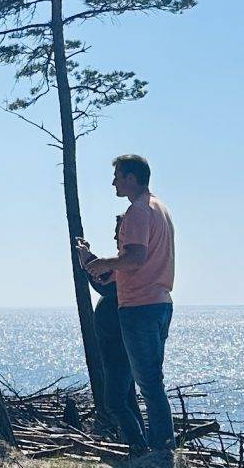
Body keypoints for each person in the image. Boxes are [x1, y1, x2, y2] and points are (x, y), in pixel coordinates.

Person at [75, 153, 176, 448]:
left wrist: (104, 262)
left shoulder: (139, 211)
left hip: (140, 307)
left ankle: (160, 450)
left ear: (131, 178)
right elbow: (126, 270)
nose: (113, 183)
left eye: (117, 176)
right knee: (149, 383)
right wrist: (93, 263)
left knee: (149, 385)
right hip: (157, 302)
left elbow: (135, 259)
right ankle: (154, 448)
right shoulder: (158, 208)